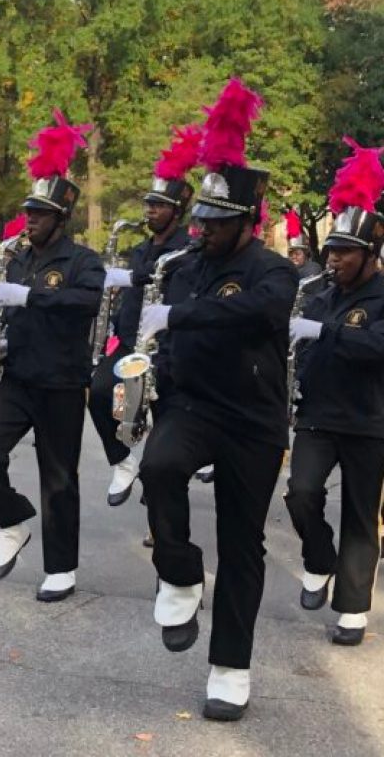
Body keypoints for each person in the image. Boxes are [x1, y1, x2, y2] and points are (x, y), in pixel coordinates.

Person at [137, 78, 298, 722]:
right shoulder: (182, 265)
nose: (200, 229)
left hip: (254, 422)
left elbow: (255, 312)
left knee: (244, 543)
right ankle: (178, 571)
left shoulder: (273, 270)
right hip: (194, 406)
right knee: (158, 468)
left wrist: (180, 317)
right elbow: (167, 331)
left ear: (246, 224)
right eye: (199, 219)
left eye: (215, 222)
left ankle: (230, 667)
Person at [0, 113, 104, 602]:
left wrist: (30, 297)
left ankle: (61, 568)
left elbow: (87, 302)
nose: (30, 221)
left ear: (61, 219)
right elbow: (0, 300)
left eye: (40, 215)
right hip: (19, 376)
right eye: (29, 212)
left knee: (59, 478)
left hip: (63, 382)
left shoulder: (83, 261)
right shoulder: (17, 256)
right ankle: (13, 520)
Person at [285, 141, 384, 647]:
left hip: (369, 420)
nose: (334, 259)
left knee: (361, 516)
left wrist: (326, 334)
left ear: (370, 255)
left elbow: (377, 347)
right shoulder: (318, 295)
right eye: (331, 250)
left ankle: (351, 608)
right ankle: (318, 558)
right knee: (301, 494)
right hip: (318, 416)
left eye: (344, 252)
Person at [89, 135, 195, 506]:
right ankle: (122, 460)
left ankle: (159, 502)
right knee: (99, 391)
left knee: (164, 424)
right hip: (132, 343)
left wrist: (134, 277)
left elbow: (167, 280)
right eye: (149, 203)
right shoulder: (139, 248)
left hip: (167, 350)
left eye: (158, 205)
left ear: (177, 210)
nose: (149, 210)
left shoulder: (188, 248)